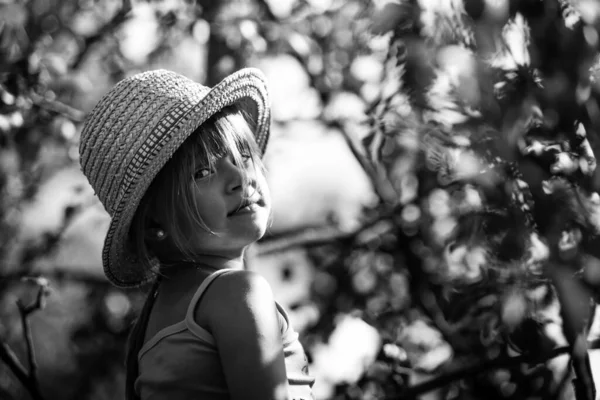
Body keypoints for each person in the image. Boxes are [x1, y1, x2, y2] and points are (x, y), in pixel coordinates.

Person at [78, 68, 315, 400]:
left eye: (242, 156)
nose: (239, 178)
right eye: (202, 172)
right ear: (151, 223)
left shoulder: (150, 327)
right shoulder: (238, 293)